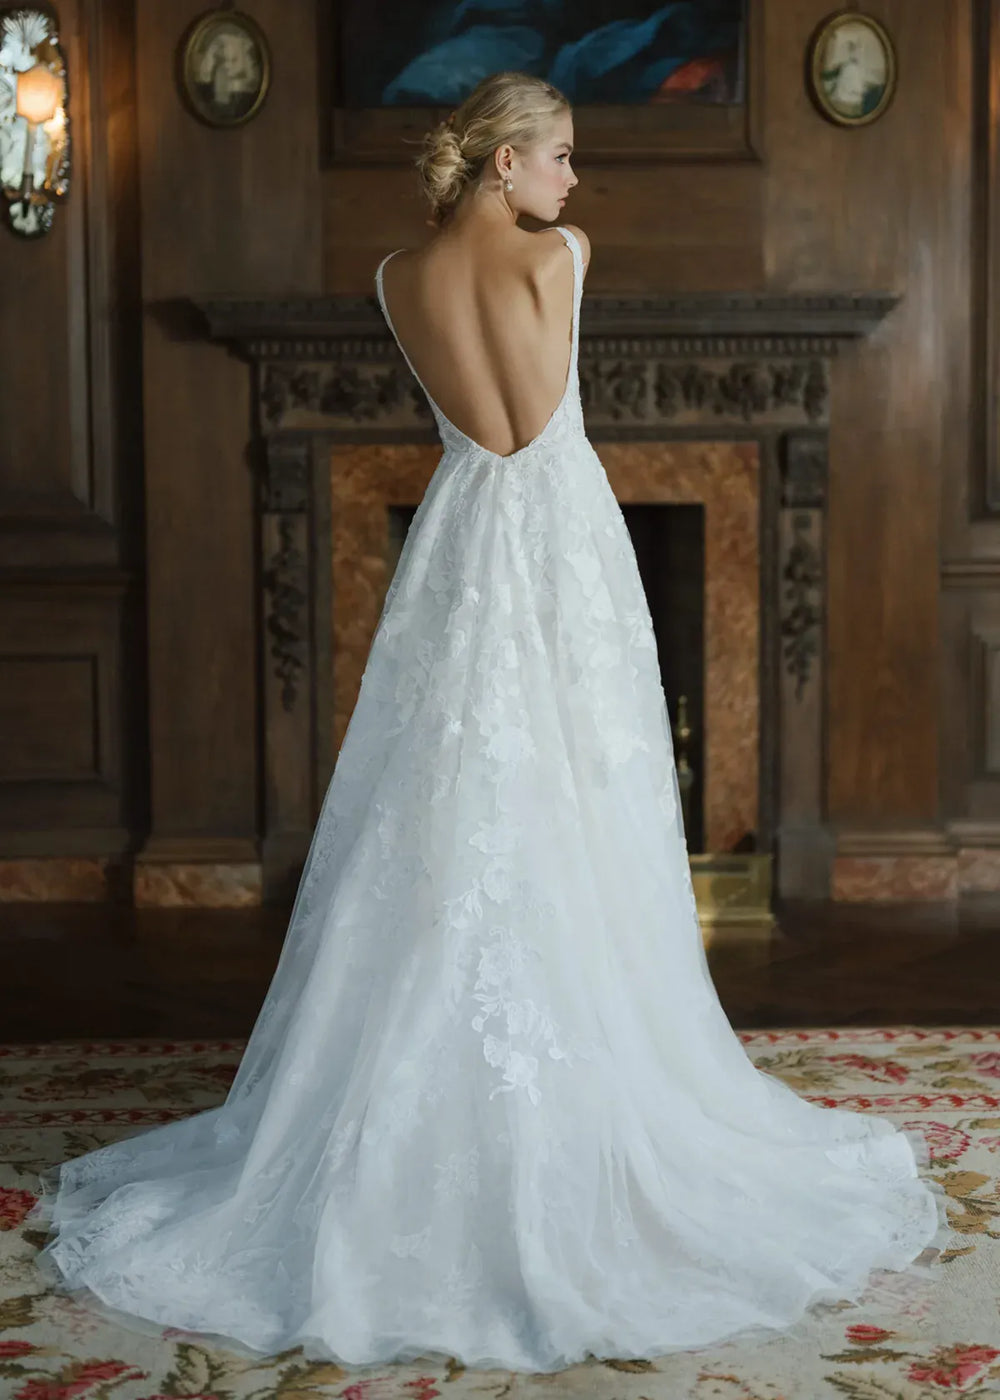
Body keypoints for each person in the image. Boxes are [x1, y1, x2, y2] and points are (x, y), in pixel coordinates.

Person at [27, 69, 951, 1375]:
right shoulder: (560, 255)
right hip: (559, 541)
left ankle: (426, 1091)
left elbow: (483, 441)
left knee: (448, 801)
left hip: (463, 549)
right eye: (561, 156)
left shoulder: (395, 276)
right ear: (507, 163)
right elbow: (531, 428)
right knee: (576, 799)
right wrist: (551, 256)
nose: (577, 181)